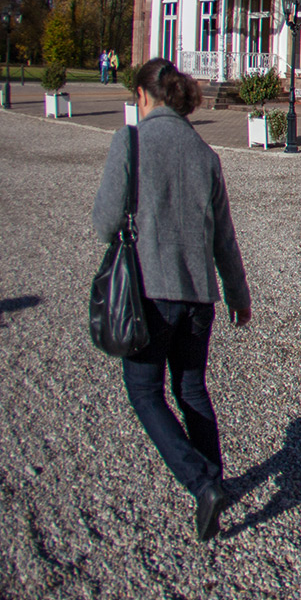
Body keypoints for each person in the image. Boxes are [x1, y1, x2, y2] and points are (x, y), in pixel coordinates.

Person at [90, 57, 251, 542]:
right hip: (199, 296)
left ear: (143, 96)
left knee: (145, 392)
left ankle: (203, 483)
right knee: (191, 389)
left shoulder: (131, 142)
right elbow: (225, 238)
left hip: (149, 292)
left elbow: (104, 224)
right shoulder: (206, 154)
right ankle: (216, 480)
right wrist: (238, 293)